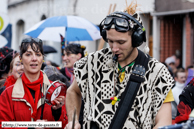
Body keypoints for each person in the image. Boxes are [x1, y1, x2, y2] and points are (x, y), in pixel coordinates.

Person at [65, 2, 174, 129]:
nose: (114, 48)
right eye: (110, 41)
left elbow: (164, 122)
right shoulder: (92, 62)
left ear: (136, 39)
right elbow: (73, 91)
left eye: (121, 42)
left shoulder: (157, 72)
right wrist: (73, 121)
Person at [0, 38, 68, 128]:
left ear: (42, 58)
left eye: (38, 54)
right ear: (21, 59)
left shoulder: (55, 90)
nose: (34, 59)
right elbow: (3, 125)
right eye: (28, 54)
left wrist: (57, 112)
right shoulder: (8, 94)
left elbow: (65, 125)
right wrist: (31, 127)